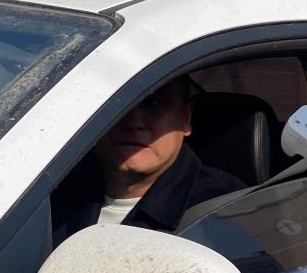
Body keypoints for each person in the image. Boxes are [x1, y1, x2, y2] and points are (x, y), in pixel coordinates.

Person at [51, 76, 243, 244]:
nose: (133, 122)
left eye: (154, 102)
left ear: (186, 117)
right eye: (118, 103)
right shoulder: (49, 193)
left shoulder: (221, 210)